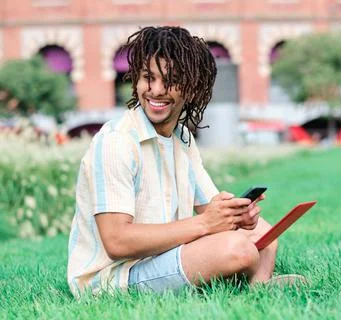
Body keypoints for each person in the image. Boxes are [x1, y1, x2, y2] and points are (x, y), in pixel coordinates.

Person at [67, 26, 303, 298]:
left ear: (192, 87)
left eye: (169, 81)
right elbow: (117, 242)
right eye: (148, 78)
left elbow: (211, 208)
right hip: (112, 277)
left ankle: (258, 289)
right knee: (237, 250)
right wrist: (206, 225)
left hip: (160, 257)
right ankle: (249, 282)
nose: (156, 91)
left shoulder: (182, 139)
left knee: (262, 231)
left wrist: (238, 215)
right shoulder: (116, 142)